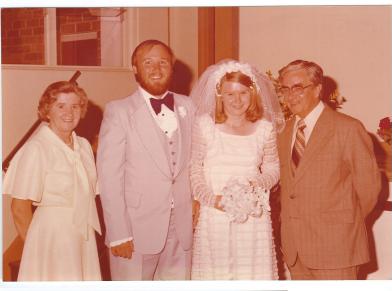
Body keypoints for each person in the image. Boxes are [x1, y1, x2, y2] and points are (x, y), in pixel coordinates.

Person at [96, 39, 195, 280]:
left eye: (163, 62)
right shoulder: (118, 111)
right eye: (147, 62)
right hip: (135, 229)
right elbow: (109, 178)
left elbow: (195, 161)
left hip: (182, 227)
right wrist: (119, 233)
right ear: (135, 68)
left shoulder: (188, 106)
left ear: (172, 68)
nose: (156, 68)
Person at [276, 59, 381, 280]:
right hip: (296, 250)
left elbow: (369, 190)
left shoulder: (348, 129)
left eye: (298, 87)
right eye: (285, 89)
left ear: (318, 89)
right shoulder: (284, 132)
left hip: (336, 247)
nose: (290, 95)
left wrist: (340, 224)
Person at [189, 60, 285, 279]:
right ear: (219, 95)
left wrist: (254, 186)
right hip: (215, 214)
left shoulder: (264, 129)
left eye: (243, 93)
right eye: (229, 94)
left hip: (253, 215)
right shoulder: (205, 125)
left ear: (253, 94)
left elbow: (273, 167)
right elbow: (195, 168)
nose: (237, 100)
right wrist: (213, 200)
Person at [3, 81, 102, 281]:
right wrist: (37, 248)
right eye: (60, 106)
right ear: (47, 111)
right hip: (51, 236)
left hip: (83, 234)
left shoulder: (83, 146)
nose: (69, 112)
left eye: (75, 106)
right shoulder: (37, 148)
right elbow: (19, 208)